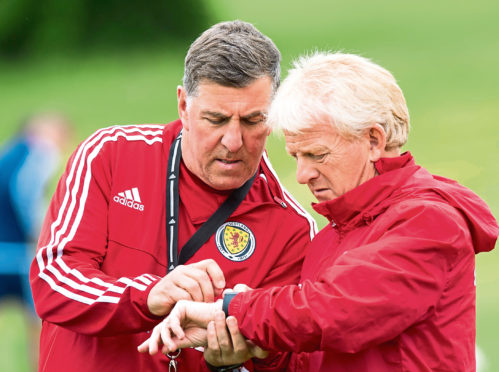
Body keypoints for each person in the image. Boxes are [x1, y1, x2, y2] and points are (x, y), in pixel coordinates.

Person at [141, 52, 499, 371]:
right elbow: (312, 351)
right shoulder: (330, 236)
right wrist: (256, 352)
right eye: (297, 156)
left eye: (317, 155)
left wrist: (231, 308)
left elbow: (337, 311)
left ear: (373, 141)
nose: (302, 174)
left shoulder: (429, 222)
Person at [29, 21, 317, 372]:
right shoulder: (110, 156)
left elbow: (291, 360)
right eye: (216, 119)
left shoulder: (291, 227)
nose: (233, 141)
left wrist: (233, 363)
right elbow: (53, 280)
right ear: (183, 105)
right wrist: (148, 297)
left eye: (253, 121)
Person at [0, 113, 72, 371]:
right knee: (40, 325)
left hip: (3, 252)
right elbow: (25, 191)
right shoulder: (39, 152)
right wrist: (43, 233)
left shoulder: (7, 153)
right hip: (21, 255)